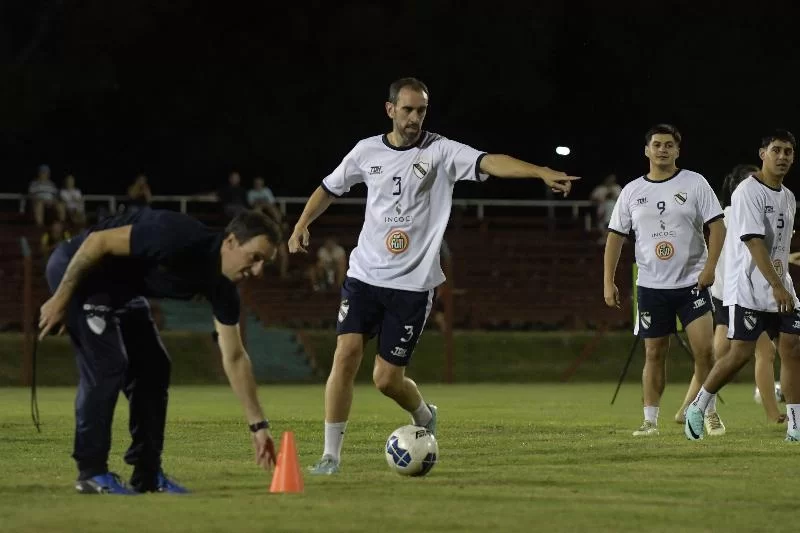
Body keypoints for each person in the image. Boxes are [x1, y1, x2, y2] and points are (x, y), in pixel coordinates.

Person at [287, 77, 578, 474]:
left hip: (412, 284)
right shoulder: (366, 152)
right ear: (390, 109)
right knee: (345, 354)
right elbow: (329, 187)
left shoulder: (440, 151)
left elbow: (489, 160)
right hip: (365, 275)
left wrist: (538, 171)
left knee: (386, 380)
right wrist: (302, 222)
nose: (414, 118)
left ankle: (423, 414)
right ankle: (330, 455)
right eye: (407, 109)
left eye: (421, 110)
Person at [38, 208, 281, 494]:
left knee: (154, 368)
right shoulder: (177, 236)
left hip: (122, 290)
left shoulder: (223, 288)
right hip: (81, 268)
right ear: (230, 243)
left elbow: (235, 356)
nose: (257, 271)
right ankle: (91, 473)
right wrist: (60, 299)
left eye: (264, 263)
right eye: (255, 258)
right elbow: (97, 243)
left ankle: (148, 476)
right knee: (107, 364)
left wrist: (258, 426)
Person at [603, 124, 726, 437]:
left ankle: (706, 411)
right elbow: (615, 237)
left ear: (677, 150)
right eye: (656, 144)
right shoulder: (631, 191)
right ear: (647, 150)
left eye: (668, 145)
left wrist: (710, 267)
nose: (662, 149)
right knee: (654, 353)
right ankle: (649, 420)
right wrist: (608, 281)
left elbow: (717, 226)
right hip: (651, 287)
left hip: (692, 284)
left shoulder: (695, 182)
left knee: (705, 353)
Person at [685, 130, 800, 442]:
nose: (783, 157)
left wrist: (782, 281)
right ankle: (699, 405)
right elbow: (753, 242)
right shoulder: (747, 192)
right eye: (776, 150)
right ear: (762, 153)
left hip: (780, 287)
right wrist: (777, 285)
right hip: (749, 289)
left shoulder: (788, 197)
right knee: (738, 355)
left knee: (792, 348)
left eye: (788, 151)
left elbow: (777, 248)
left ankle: (795, 425)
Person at [675, 164, 786, 425]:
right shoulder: (740, 215)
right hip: (738, 296)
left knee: (718, 355)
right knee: (765, 353)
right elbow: (750, 254)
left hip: (723, 295)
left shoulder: (723, 215)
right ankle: (773, 414)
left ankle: (687, 408)